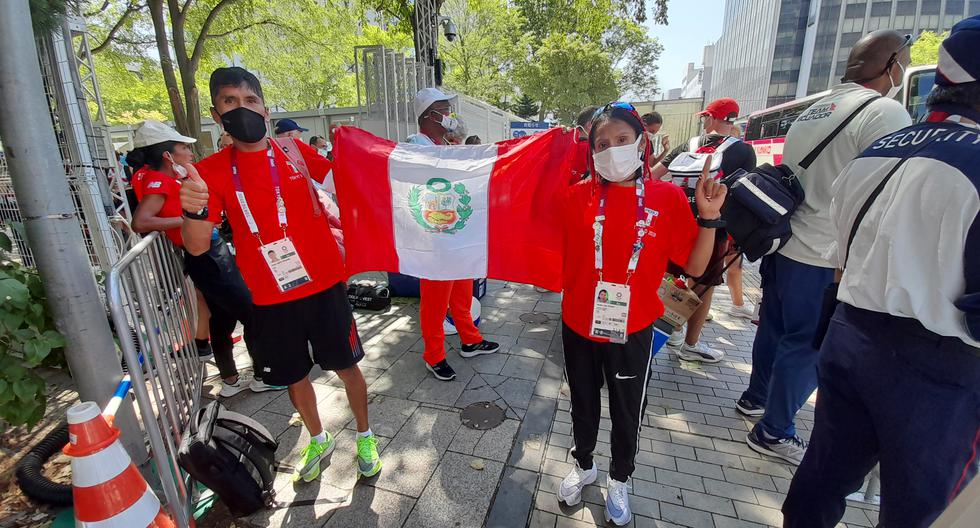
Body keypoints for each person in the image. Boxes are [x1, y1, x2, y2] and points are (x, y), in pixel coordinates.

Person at [782, 18, 980, 526]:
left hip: (851, 338)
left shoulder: (876, 151)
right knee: (921, 508)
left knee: (822, 477)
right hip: (940, 368)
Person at [179, 67, 381, 482]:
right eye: (229, 102)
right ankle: (319, 437)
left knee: (348, 367)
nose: (242, 109)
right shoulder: (212, 171)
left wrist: (356, 149)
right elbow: (198, 245)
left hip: (325, 285)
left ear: (265, 109)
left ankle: (365, 435)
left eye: (250, 101)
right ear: (217, 116)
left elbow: (348, 180)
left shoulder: (292, 151)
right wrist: (193, 207)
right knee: (293, 376)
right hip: (269, 298)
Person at [736, 30, 914, 465]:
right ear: (891, 65)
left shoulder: (817, 107)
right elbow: (889, 191)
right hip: (823, 255)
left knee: (774, 329)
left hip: (786, 243)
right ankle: (774, 430)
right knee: (808, 343)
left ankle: (755, 397)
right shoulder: (885, 111)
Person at [557, 102, 728, 526]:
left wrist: (709, 219)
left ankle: (619, 478)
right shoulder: (576, 195)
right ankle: (584, 465)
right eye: (602, 144)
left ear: (641, 143)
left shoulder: (665, 197)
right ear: (591, 152)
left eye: (621, 140)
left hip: (633, 328)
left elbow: (692, 267)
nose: (612, 150)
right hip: (578, 323)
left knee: (626, 407)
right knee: (582, 403)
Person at [128, 119, 281, 398]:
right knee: (252, 313)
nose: (190, 152)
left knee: (221, 318)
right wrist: (196, 220)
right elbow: (141, 221)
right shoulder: (158, 180)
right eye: (184, 147)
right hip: (207, 254)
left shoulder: (152, 176)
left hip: (205, 253)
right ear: (167, 155)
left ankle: (231, 379)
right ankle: (264, 374)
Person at [653, 97, 756, 363]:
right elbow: (745, 196)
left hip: (674, 225)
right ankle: (690, 343)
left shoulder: (688, 145)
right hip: (712, 229)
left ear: (711, 118)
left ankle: (668, 329)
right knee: (703, 285)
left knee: (668, 279)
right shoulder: (742, 151)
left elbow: (653, 175)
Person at [406, 87, 500, 380]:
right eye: (445, 110)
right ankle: (433, 355)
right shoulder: (415, 145)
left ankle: (470, 339)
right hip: (433, 238)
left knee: (462, 290)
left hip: (456, 233)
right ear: (429, 115)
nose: (451, 115)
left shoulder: (443, 142)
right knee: (435, 302)